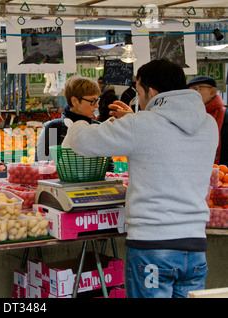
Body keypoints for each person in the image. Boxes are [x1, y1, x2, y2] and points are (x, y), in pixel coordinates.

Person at [62, 59, 218, 298]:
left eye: (138, 91)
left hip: (152, 247)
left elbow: (82, 140)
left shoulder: (143, 124)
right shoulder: (208, 124)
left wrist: (78, 119)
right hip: (195, 248)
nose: (139, 99)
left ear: (152, 91)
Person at [36, 76, 101, 162]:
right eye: (92, 101)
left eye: (97, 100)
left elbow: (108, 166)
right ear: (75, 101)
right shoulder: (53, 128)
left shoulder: (98, 128)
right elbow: (42, 165)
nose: (97, 105)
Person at [187, 76, 228, 166]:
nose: (193, 94)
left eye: (196, 89)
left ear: (212, 92)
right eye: (190, 91)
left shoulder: (225, 116)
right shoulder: (188, 117)